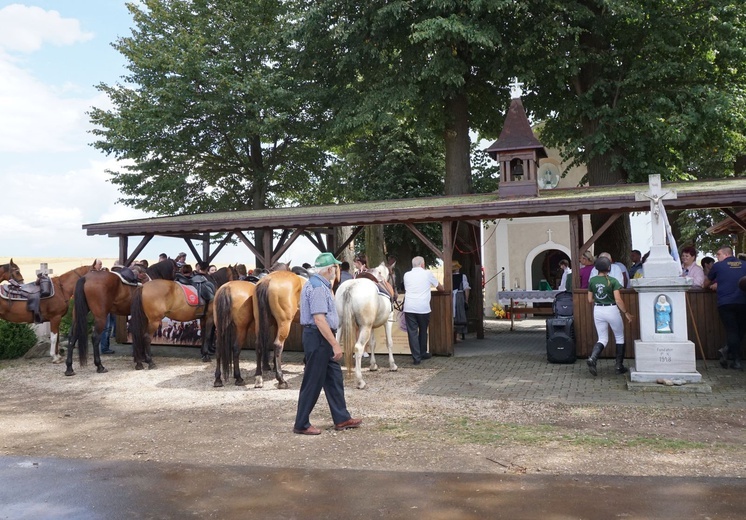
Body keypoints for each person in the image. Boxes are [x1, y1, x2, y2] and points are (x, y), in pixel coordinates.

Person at [293, 252, 361, 435]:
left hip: (320, 337)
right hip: (319, 337)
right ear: (329, 269)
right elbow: (319, 319)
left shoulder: (319, 285)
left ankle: (341, 418)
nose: (336, 270)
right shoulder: (318, 288)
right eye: (335, 267)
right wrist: (335, 344)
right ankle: (301, 424)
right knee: (313, 381)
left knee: (334, 378)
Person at [586, 256, 634, 377]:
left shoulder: (592, 281)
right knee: (619, 337)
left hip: (598, 309)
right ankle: (619, 366)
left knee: (602, 338)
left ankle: (593, 358)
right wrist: (626, 312)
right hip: (611, 309)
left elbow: (590, 299)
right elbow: (618, 300)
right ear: (609, 268)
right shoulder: (613, 281)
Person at [703, 246, 746, 370]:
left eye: (718, 254)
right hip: (743, 301)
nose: (717, 257)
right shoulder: (744, 264)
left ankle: (733, 356)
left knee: (732, 330)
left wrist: (715, 284)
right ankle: (729, 353)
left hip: (726, 303)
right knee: (740, 330)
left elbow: (705, 283)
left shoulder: (718, 266)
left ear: (726, 254)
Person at [403, 256, 444, 364]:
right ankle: (423, 352)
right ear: (422, 264)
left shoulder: (406, 275)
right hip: (423, 308)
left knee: (412, 333)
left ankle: (416, 358)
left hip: (409, 307)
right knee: (423, 330)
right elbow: (440, 288)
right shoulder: (427, 274)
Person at [451, 261, 471, 341]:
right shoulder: (463, 276)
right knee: (459, 314)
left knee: (452, 314)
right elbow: (466, 289)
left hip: (450, 297)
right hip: (459, 296)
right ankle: (458, 335)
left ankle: (452, 334)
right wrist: (466, 300)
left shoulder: (448, 276)